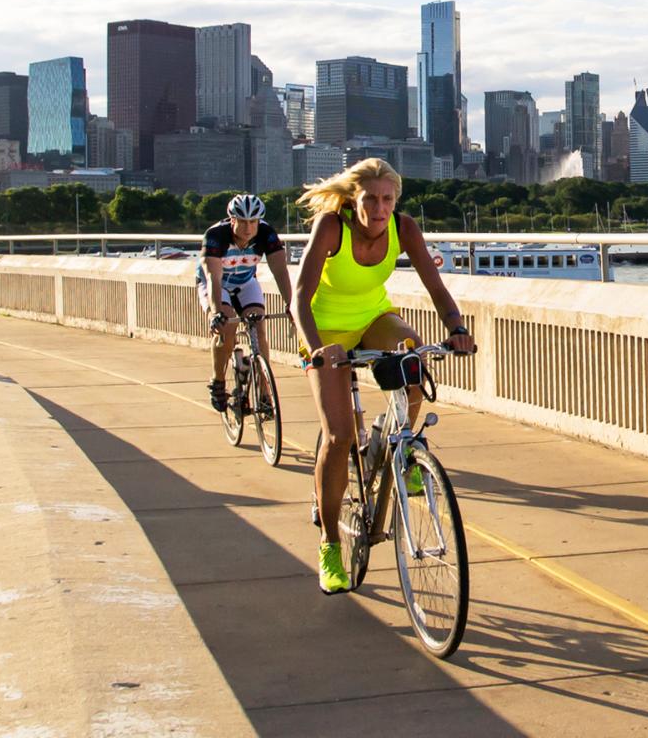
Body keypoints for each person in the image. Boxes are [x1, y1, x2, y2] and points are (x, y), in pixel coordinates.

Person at [292, 158, 475, 595]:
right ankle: (330, 546)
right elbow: (300, 294)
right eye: (370, 199)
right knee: (338, 437)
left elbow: (436, 287)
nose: (379, 208)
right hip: (326, 330)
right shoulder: (332, 227)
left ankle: (398, 444)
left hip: (373, 317)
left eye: (387, 199)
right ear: (354, 198)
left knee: (413, 355)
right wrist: (316, 348)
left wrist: (457, 328)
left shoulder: (403, 228)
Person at [196, 194, 293, 412]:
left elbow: (280, 271)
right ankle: (218, 381)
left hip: (245, 282)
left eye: (253, 222)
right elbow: (213, 277)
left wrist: (291, 305)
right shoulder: (215, 235)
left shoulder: (267, 234)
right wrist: (215, 312)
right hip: (217, 284)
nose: (248, 228)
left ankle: (264, 393)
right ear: (232, 220)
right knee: (227, 328)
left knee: (259, 328)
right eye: (242, 221)